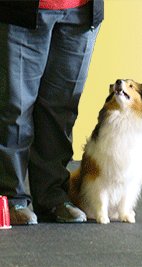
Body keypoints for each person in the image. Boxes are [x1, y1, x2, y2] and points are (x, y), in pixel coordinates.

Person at [0, 0, 104, 224]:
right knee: (15, 108)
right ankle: (10, 198)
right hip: (22, 10)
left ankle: (52, 196)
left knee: (61, 112)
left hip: (80, 11)